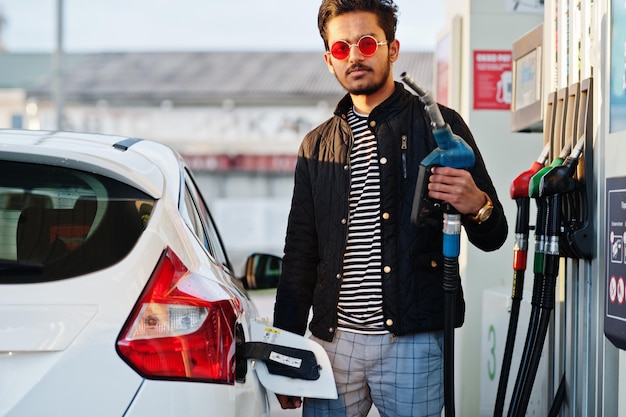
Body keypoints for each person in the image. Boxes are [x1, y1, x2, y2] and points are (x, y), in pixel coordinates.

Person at [272, 1, 508, 416]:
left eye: (366, 42)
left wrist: (478, 205)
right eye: (342, 49)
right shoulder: (315, 146)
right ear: (330, 60)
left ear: (392, 49)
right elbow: (299, 257)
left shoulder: (440, 127)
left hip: (413, 343)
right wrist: (286, 358)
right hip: (333, 343)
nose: (356, 56)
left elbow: (495, 236)